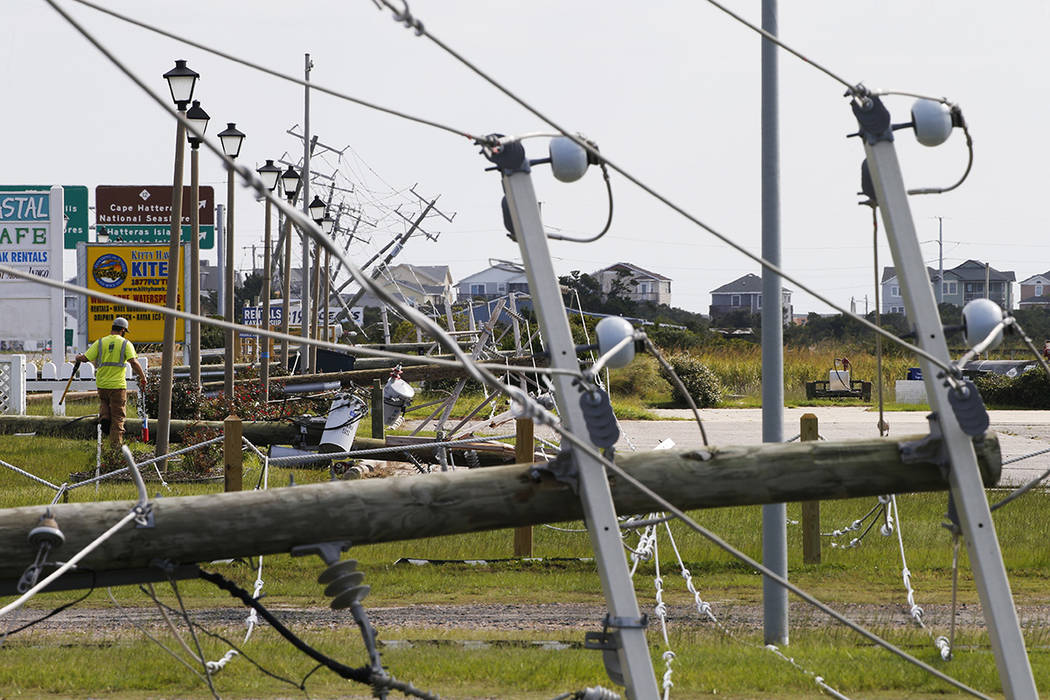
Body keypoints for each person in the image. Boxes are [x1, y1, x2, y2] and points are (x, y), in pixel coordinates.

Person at [76, 317, 147, 446]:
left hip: (102, 384)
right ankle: (116, 448)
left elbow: (85, 358)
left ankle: (104, 419)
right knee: (118, 418)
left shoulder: (100, 342)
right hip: (117, 386)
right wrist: (143, 377)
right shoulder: (125, 343)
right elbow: (134, 362)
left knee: (104, 404)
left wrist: (78, 357)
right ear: (123, 330)